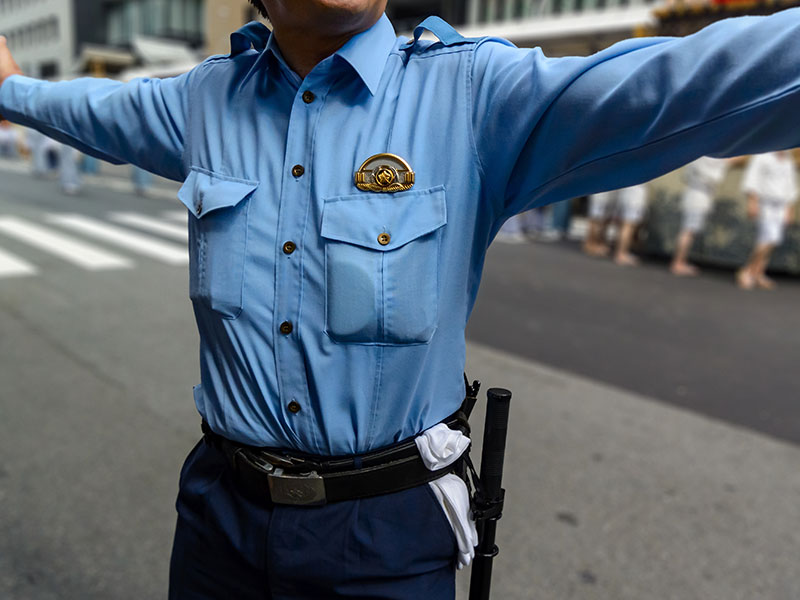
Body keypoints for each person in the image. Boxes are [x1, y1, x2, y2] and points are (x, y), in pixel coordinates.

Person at [2, 2, 800, 597]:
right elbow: (79, 109)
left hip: (381, 539)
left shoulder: (474, 94)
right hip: (219, 516)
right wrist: (8, 84)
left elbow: (694, 83)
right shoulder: (204, 100)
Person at [736, 151, 798, 290]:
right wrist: (752, 202)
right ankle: (747, 271)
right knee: (767, 239)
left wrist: (790, 210)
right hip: (765, 203)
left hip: (781, 205)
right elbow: (752, 179)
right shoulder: (762, 155)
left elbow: (790, 185)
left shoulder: (788, 158)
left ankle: (758, 273)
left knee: (773, 240)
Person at [670, 156, 731, 276]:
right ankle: (678, 262)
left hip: (695, 193)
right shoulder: (705, 157)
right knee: (688, 230)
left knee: (688, 230)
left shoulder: (696, 155)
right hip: (698, 196)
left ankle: (679, 261)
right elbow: (716, 174)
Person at [583, 184, 648, 266]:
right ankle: (621, 253)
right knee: (628, 223)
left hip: (616, 185)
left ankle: (595, 244)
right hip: (632, 187)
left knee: (601, 217)